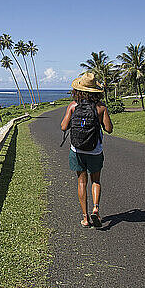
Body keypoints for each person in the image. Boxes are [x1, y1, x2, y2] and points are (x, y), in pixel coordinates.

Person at [60, 72, 113, 228]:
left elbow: (63, 127)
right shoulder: (101, 107)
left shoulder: (72, 106)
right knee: (95, 180)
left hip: (77, 150)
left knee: (81, 182)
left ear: (79, 90)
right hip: (95, 150)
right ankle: (96, 208)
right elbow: (109, 129)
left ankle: (85, 218)